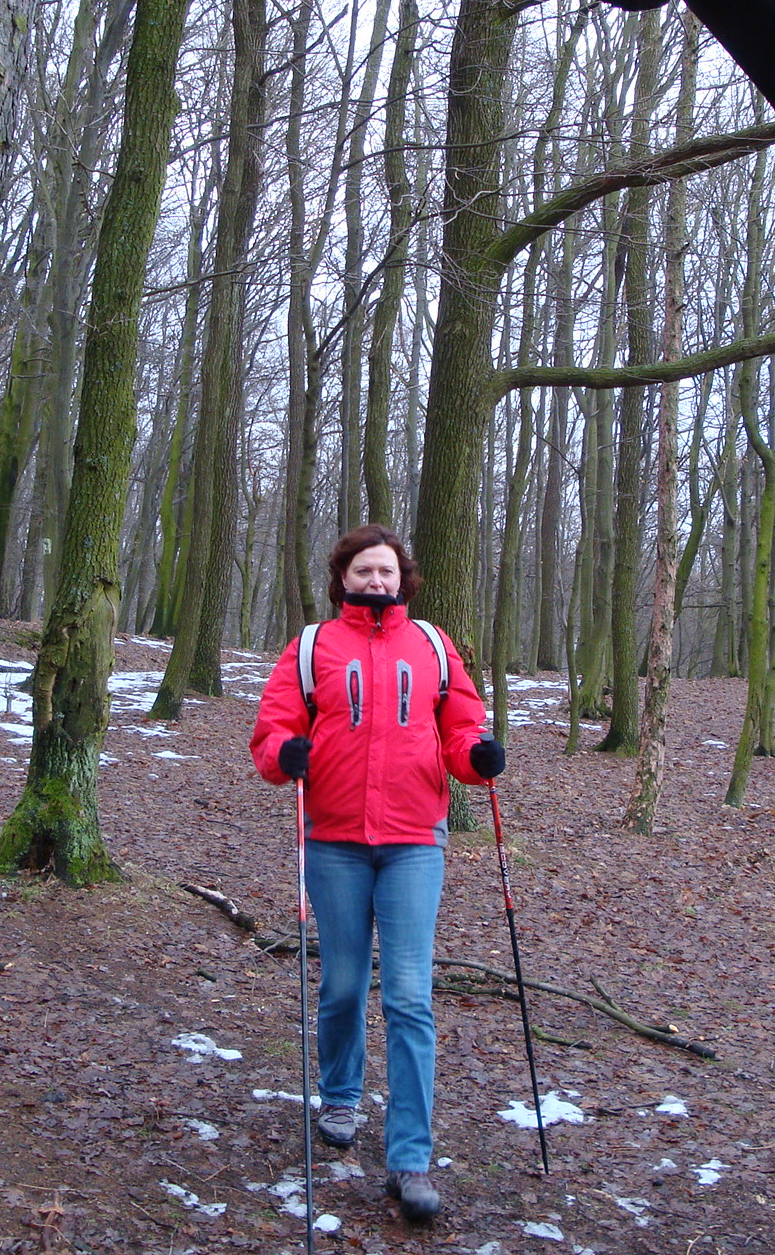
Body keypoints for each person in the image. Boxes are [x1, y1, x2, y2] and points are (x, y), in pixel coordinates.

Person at [250, 524, 503, 1224]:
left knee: (411, 997)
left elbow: (460, 726)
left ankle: (410, 1159)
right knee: (342, 983)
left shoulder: (432, 645)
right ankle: (339, 1095)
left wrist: (476, 757)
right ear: (343, 577)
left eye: (386, 570)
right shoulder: (312, 647)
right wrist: (285, 754)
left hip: (414, 840)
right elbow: (272, 731)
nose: (376, 580)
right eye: (364, 569)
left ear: (403, 577)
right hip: (333, 838)